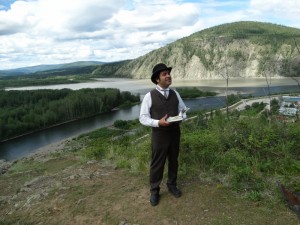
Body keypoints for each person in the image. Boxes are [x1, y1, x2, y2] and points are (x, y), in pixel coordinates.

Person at [139, 63, 188, 206]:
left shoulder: (175, 93)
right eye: (164, 74)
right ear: (157, 79)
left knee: (174, 161)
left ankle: (172, 185)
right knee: (157, 164)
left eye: (168, 73)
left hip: (174, 133)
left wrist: (181, 117)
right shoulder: (149, 96)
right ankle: (154, 191)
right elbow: (142, 118)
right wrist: (158, 123)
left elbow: (183, 111)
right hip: (159, 136)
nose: (168, 76)